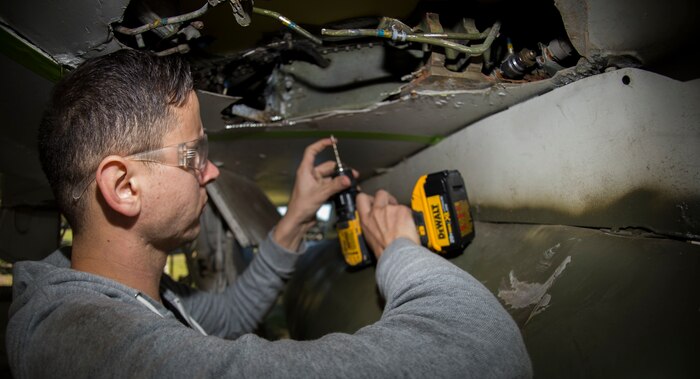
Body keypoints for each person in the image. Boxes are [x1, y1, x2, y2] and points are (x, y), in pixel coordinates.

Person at [6, 50, 532, 378]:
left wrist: (296, 215)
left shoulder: (134, 296)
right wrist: (398, 250)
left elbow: (227, 319)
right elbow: (481, 352)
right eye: (195, 156)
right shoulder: (88, 347)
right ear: (123, 186)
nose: (210, 174)